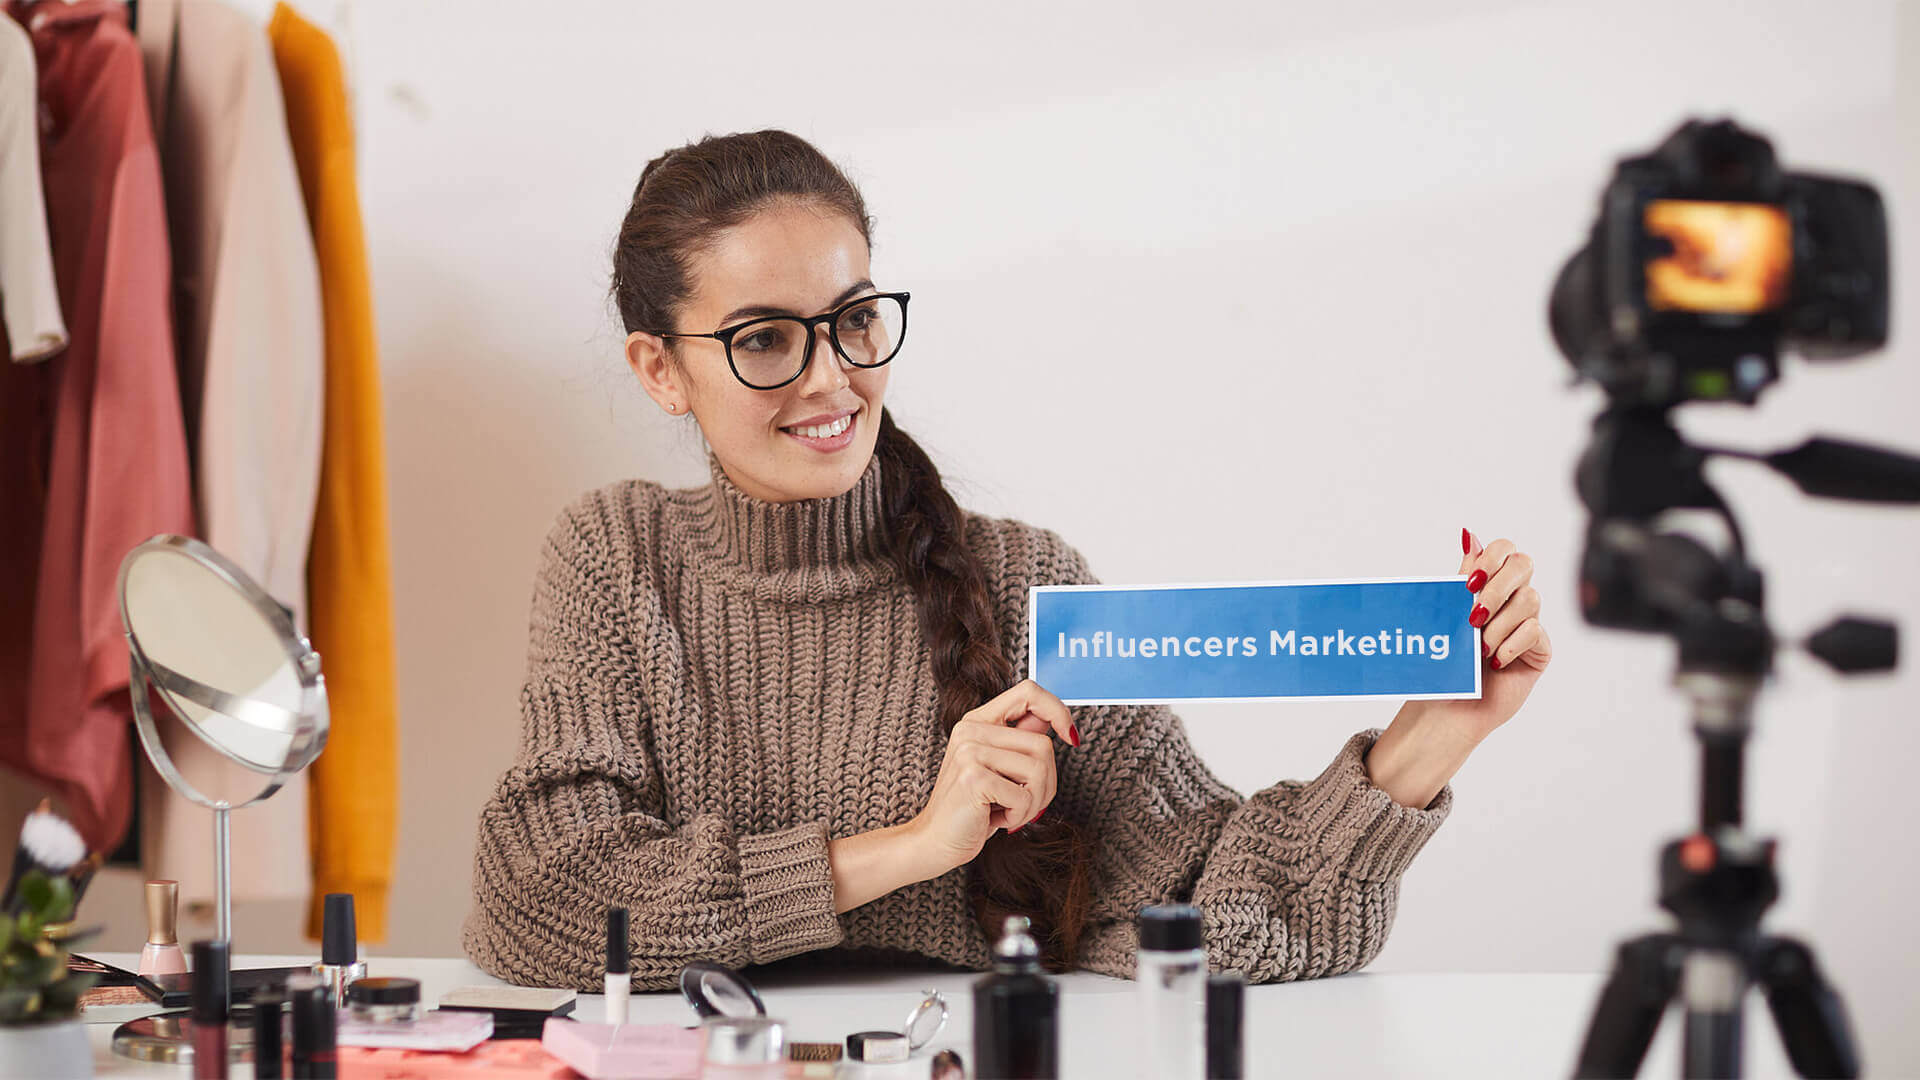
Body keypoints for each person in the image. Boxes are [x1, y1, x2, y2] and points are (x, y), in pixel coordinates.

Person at [462, 130, 1554, 992]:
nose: (829, 378)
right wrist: (913, 848)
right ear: (661, 369)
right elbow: (546, 903)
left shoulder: (1028, 583)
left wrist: (1426, 743)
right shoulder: (616, 557)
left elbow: (1211, 912)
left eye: (853, 320)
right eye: (763, 339)